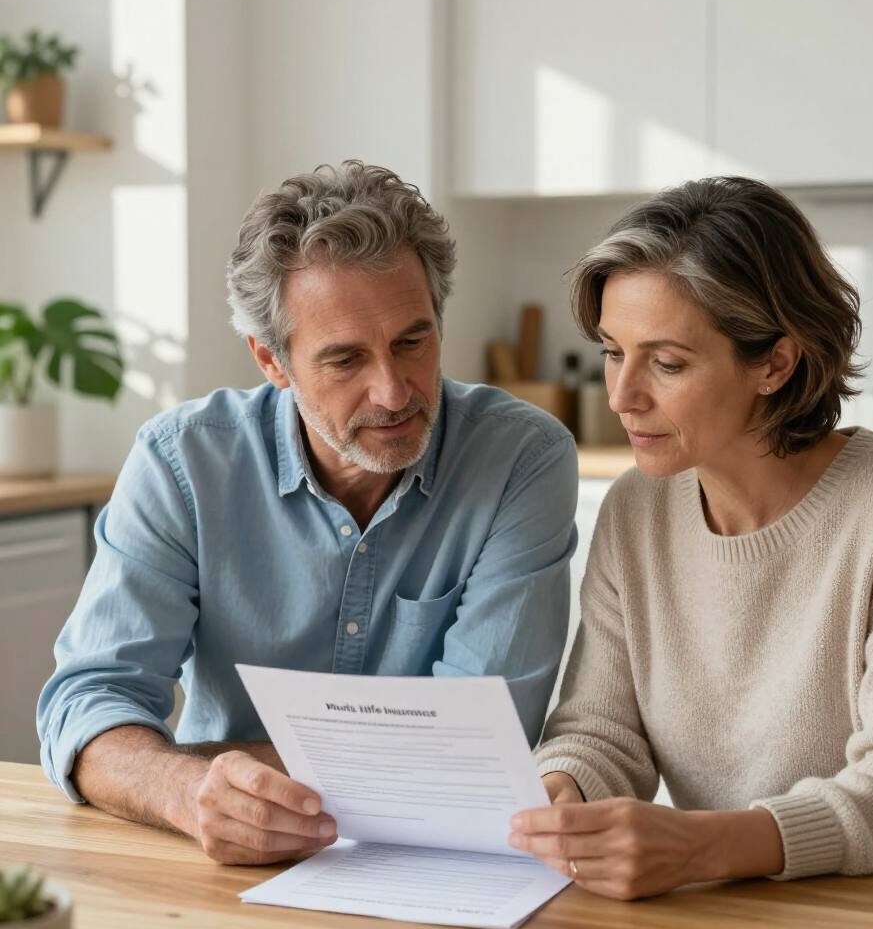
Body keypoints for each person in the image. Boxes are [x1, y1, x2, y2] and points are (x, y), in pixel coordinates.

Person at [37, 161, 577, 865]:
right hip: (219, 860)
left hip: (436, 864)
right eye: (345, 359)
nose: (392, 391)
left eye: (412, 342)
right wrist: (185, 786)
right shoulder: (183, 464)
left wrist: (214, 756)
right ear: (271, 360)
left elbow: (470, 751)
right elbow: (86, 704)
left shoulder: (521, 458)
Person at [508, 176, 873, 899]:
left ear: (774, 364)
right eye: (613, 351)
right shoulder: (636, 510)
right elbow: (600, 732)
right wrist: (563, 789)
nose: (623, 396)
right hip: (751, 911)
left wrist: (700, 847)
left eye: (667, 363)